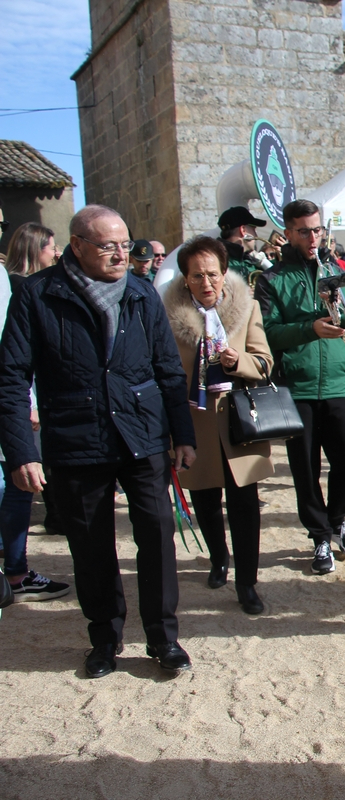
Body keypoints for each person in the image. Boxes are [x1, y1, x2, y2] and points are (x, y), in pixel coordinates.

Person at [0, 204, 198, 678]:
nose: (120, 255)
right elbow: (10, 379)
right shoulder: (37, 295)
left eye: (125, 245)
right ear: (77, 245)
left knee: (157, 534)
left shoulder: (141, 292)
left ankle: (163, 638)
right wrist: (22, 452)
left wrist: (183, 434)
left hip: (142, 432)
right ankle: (105, 639)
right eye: (108, 246)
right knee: (91, 545)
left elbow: (168, 369)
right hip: (76, 436)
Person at [164, 236, 274, 615]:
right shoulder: (168, 315)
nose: (206, 282)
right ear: (185, 279)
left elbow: (265, 362)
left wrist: (237, 360)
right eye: (197, 276)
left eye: (213, 274)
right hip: (193, 422)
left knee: (245, 504)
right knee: (206, 500)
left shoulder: (247, 307)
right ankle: (218, 559)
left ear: (225, 273)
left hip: (239, 420)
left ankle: (247, 583)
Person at [255, 199, 345, 575]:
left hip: (337, 380)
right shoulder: (271, 279)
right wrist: (310, 328)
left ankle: (337, 520)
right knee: (306, 468)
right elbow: (268, 332)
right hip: (296, 387)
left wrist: (344, 313)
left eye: (317, 229)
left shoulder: (337, 270)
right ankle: (319, 536)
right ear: (288, 233)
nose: (313, 237)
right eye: (304, 231)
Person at [2, 223, 71, 602]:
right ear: (34, 249)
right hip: (16, 404)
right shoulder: (17, 288)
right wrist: (28, 403)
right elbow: (14, 359)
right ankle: (16, 574)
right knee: (16, 488)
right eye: (51, 246)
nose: (56, 252)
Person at [218, 206, 269, 280]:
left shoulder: (248, 260)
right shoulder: (220, 261)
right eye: (253, 230)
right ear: (243, 230)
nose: (256, 235)